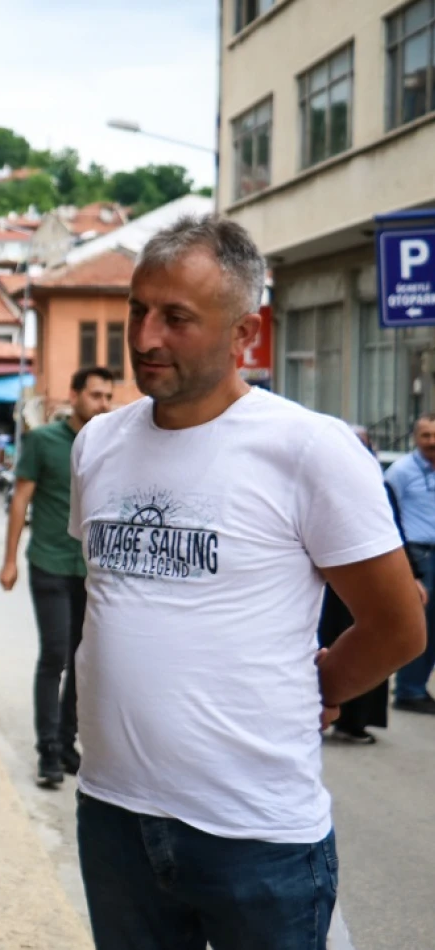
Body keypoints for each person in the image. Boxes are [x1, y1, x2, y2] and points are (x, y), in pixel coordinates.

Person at [69, 215, 426, 948]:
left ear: (244, 333)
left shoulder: (307, 450)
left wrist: (323, 687)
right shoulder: (98, 443)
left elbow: (399, 626)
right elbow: (107, 602)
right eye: (138, 310)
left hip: (254, 836)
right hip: (112, 815)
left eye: (177, 318)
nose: (144, 339)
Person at [0, 366, 115, 788]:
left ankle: (67, 744)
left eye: (108, 397)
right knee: (55, 655)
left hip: (94, 571)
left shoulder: (109, 443)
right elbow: (20, 500)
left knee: (84, 661)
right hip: (49, 560)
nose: (103, 404)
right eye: (96, 395)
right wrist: (9, 560)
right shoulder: (43, 441)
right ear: (75, 394)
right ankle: (47, 750)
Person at [321, 426, 424, 743]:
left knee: (371, 643)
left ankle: (355, 720)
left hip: (371, 582)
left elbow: (392, 538)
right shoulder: (322, 484)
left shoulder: (377, 486)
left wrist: (412, 575)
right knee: (334, 640)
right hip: (334, 586)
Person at [382, 414, 435, 715]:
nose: (431, 442)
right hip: (419, 554)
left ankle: (418, 686)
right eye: (425, 435)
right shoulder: (401, 472)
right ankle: (408, 689)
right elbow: (387, 514)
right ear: (415, 438)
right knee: (420, 624)